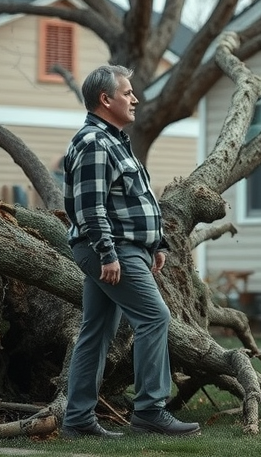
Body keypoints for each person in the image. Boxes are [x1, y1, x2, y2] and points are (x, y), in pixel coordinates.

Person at [61, 64, 201, 438]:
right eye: (127, 93)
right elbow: (91, 208)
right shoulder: (94, 142)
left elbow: (129, 201)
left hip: (126, 248)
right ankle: (150, 410)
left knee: (96, 331)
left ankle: (77, 420)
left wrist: (155, 244)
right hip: (112, 249)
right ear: (106, 99)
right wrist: (108, 253)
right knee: (155, 318)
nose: (135, 98)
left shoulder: (113, 141)